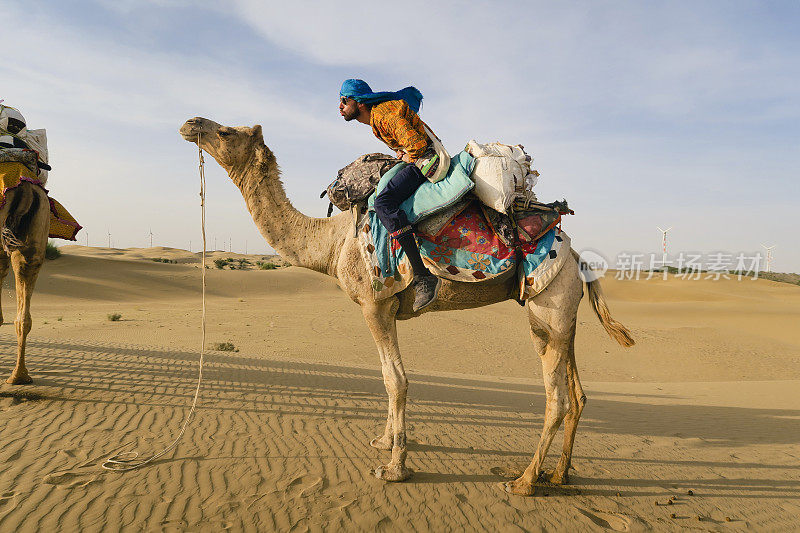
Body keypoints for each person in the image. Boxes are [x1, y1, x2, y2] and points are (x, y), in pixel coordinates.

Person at [339, 79, 446, 311]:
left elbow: (417, 144)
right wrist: (401, 152)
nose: (340, 106)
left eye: (344, 100)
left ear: (359, 103)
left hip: (425, 159)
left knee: (384, 203)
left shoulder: (384, 117)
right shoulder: (376, 120)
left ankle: (422, 276)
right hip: (416, 157)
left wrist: (408, 155)